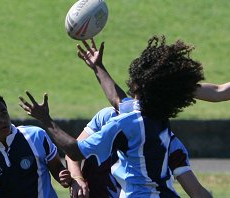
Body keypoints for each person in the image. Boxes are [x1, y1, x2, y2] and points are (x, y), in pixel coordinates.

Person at [19, 35, 212, 197]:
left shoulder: (126, 124)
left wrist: (46, 119)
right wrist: (97, 67)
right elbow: (117, 99)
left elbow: (75, 151)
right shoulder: (158, 119)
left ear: (139, 84)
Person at [0, 91, 71, 198]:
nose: (2, 120)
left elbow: (57, 168)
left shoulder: (36, 136)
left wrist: (63, 177)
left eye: (4, 113)